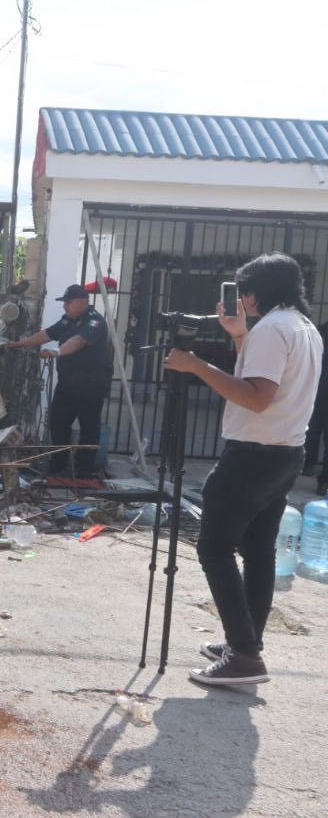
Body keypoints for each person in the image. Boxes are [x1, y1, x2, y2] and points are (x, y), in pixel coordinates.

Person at [163, 253, 321, 686]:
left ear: (252, 293)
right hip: (285, 452)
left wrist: (195, 365)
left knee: (214, 548)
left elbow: (255, 397)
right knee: (258, 550)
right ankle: (246, 641)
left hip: (254, 455)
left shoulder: (272, 329)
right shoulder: (301, 327)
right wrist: (239, 336)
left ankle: (245, 655)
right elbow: (262, 378)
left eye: (241, 292)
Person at [6, 284, 112, 477]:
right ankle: (58, 464)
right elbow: (46, 334)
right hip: (67, 383)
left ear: (82, 302)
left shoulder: (94, 322)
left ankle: (83, 471)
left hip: (90, 385)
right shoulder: (67, 321)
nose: (65, 307)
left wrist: (56, 351)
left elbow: (78, 341)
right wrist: (19, 344)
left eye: (68, 303)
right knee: (58, 423)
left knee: (89, 427)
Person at [301, 319, 328, 491]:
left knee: (313, 428)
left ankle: (308, 464)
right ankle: (324, 480)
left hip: (319, 386)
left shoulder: (321, 330)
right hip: (319, 386)